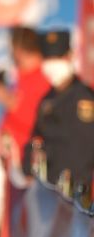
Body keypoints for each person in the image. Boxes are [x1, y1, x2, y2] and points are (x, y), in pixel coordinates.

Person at [24, 30, 94, 198]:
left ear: (70, 56)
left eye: (58, 58)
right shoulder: (46, 100)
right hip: (47, 197)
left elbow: (82, 152)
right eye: (49, 59)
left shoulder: (84, 99)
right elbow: (34, 139)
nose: (52, 65)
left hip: (75, 198)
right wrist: (29, 163)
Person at [0, 27, 50, 167]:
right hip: (15, 161)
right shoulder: (20, 75)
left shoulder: (45, 77)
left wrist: (11, 104)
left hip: (31, 163)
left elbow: (42, 125)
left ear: (18, 49)